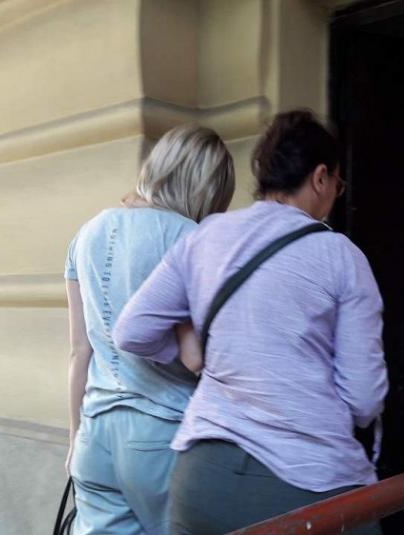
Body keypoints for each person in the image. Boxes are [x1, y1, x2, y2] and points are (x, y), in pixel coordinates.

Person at [113, 110, 388, 534]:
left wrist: (188, 349)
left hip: (201, 478)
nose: (336, 193)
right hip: (307, 485)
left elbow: (132, 330)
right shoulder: (343, 258)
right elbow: (364, 399)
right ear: (320, 177)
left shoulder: (206, 236)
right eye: (338, 183)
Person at [65, 124, 235, 535]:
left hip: (94, 432)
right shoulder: (192, 238)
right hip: (164, 434)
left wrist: (74, 438)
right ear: (207, 188)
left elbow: (79, 351)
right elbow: (207, 353)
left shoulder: (86, 233)